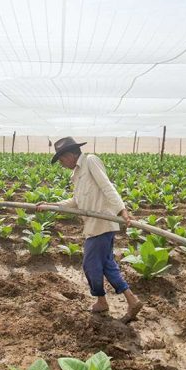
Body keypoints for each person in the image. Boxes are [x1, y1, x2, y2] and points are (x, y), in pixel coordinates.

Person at [37, 137, 143, 323]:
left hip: (102, 225)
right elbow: (76, 202)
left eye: (61, 160)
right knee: (107, 266)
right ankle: (130, 301)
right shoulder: (76, 175)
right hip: (93, 226)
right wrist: (51, 205)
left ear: (70, 155)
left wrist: (123, 210)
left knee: (91, 265)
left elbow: (107, 187)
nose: (61, 164)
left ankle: (102, 300)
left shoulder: (90, 161)